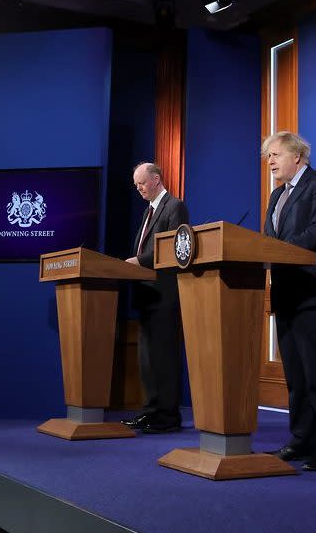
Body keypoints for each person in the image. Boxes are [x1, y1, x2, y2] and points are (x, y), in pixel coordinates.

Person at [261, 131, 316, 471]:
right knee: (296, 376)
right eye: (268, 156)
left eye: (275, 154)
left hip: (314, 295)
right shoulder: (275, 196)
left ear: (297, 156)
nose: (270, 161)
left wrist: (279, 252)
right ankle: (302, 440)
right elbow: (269, 240)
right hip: (285, 295)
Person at [122, 162, 188, 434]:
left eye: (141, 183)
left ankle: (168, 417)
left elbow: (175, 248)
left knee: (164, 358)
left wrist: (139, 260)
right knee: (148, 361)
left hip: (165, 295)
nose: (138, 189)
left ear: (156, 179)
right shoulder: (148, 212)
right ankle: (151, 411)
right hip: (147, 294)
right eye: (136, 185)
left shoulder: (175, 207)